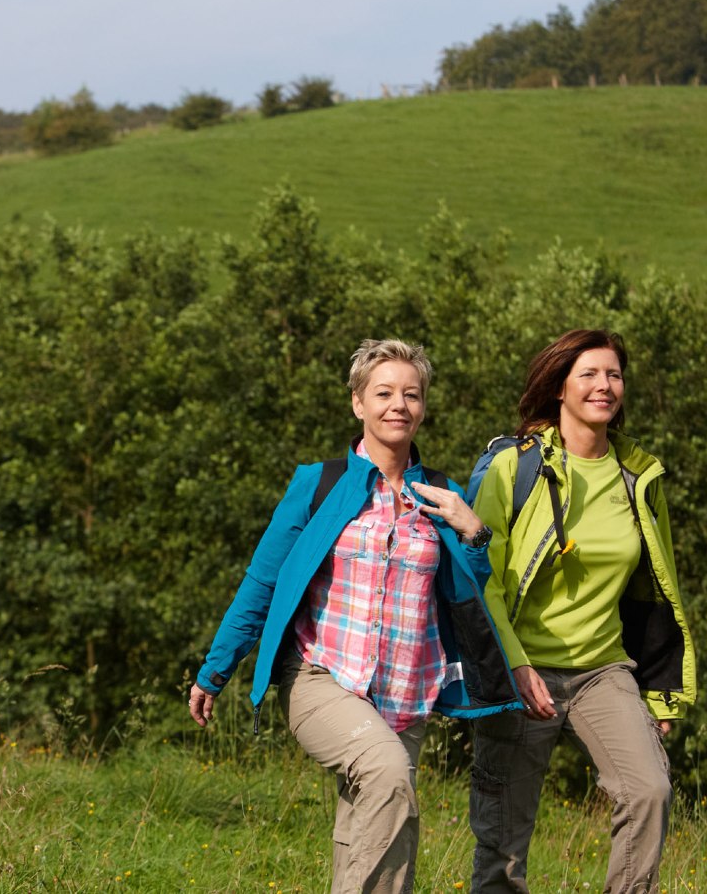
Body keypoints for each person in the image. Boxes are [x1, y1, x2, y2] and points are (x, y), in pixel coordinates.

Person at [189, 339, 521, 894]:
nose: (399, 405)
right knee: (388, 779)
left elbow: (473, 590)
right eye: (384, 392)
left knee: (380, 824)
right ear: (357, 403)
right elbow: (263, 583)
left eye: (411, 394)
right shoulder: (317, 484)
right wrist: (215, 670)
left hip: (407, 690)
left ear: (424, 407)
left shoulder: (442, 493)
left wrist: (474, 532)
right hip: (321, 678)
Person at [467, 329, 697, 893]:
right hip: (521, 670)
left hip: (602, 669)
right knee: (504, 843)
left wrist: (664, 687)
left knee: (648, 791)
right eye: (589, 374)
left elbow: (656, 591)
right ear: (559, 387)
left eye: (613, 374)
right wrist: (515, 666)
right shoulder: (513, 469)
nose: (604, 385)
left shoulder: (638, 478)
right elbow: (482, 578)